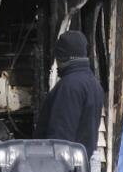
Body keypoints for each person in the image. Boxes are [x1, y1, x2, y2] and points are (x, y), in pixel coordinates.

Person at [33, 30, 106, 162]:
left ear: (62, 56)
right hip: (82, 166)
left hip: (63, 171)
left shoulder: (69, 86)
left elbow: (60, 136)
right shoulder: (94, 84)